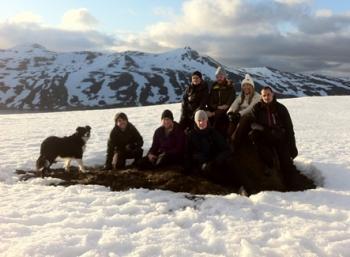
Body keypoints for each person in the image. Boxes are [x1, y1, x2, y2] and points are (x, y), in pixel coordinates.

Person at [245, 86, 299, 187]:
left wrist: (293, 146)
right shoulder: (257, 107)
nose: (266, 97)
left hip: (279, 137)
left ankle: (292, 186)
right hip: (264, 137)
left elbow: (289, 128)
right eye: (264, 95)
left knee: (286, 162)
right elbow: (252, 123)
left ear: (273, 94)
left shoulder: (281, 108)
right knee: (254, 136)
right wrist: (265, 129)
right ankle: (269, 165)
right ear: (261, 96)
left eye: (268, 94)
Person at [185, 110, 231, 175]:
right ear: (195, 122)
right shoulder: (191, 135)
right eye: (199, 120)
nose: (201, 122)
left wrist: (215, 162)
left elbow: (226, 149)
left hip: (213, 165)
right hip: (198, 166)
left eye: (203, 119)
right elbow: (187, 154)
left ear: (207, 120)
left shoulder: (213, 133)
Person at [206, 66, 236, 137]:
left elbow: (228, 105)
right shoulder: (214, 86)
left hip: (225, 113)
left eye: (221, 76)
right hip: (215, 109)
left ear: (225, 77)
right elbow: (210, 101)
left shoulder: (230, 88)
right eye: (217, 76)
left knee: (219, 125)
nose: (219, 78)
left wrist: (213, 113)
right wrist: (217, 106)